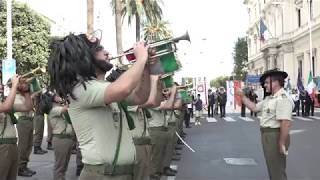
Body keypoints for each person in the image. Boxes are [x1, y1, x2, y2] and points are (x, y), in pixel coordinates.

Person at [48, 33, 151, 180]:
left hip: (122, 173)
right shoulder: (80, 89)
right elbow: (124, 88)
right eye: (99, 49)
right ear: (85, 57)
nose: (107, 52)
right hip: (103, 175)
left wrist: (146, 68)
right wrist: (141, 58)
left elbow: (141, 97)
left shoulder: (104, 87)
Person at [236, 69, 294, 180]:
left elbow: (285, 123)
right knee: (272, 168)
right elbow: (255, 107)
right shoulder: (270, 98)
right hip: (268, 135)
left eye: (267, 83)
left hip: (275, 136)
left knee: (277, 171)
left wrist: (281, 143)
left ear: (276, 82)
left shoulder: (282, 98)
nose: (265, 85)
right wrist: (242, 96)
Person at [0, 76, 32, 180]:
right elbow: (7, 107)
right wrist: (14, 85)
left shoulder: (3, 103)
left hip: (11, 145)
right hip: (2, 146)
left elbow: (27, 107)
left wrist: (26, 92)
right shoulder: (4, 105)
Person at [15, 81, 36, 177]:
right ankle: (20, 168)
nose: (27, 86)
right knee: (23, 146)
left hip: (29, 120)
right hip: (23, 121)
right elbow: (26, 108)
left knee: (29, 145)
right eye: (24, 85)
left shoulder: (25, 96)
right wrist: (28, 95)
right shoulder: (16, 97)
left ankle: (24, 165)